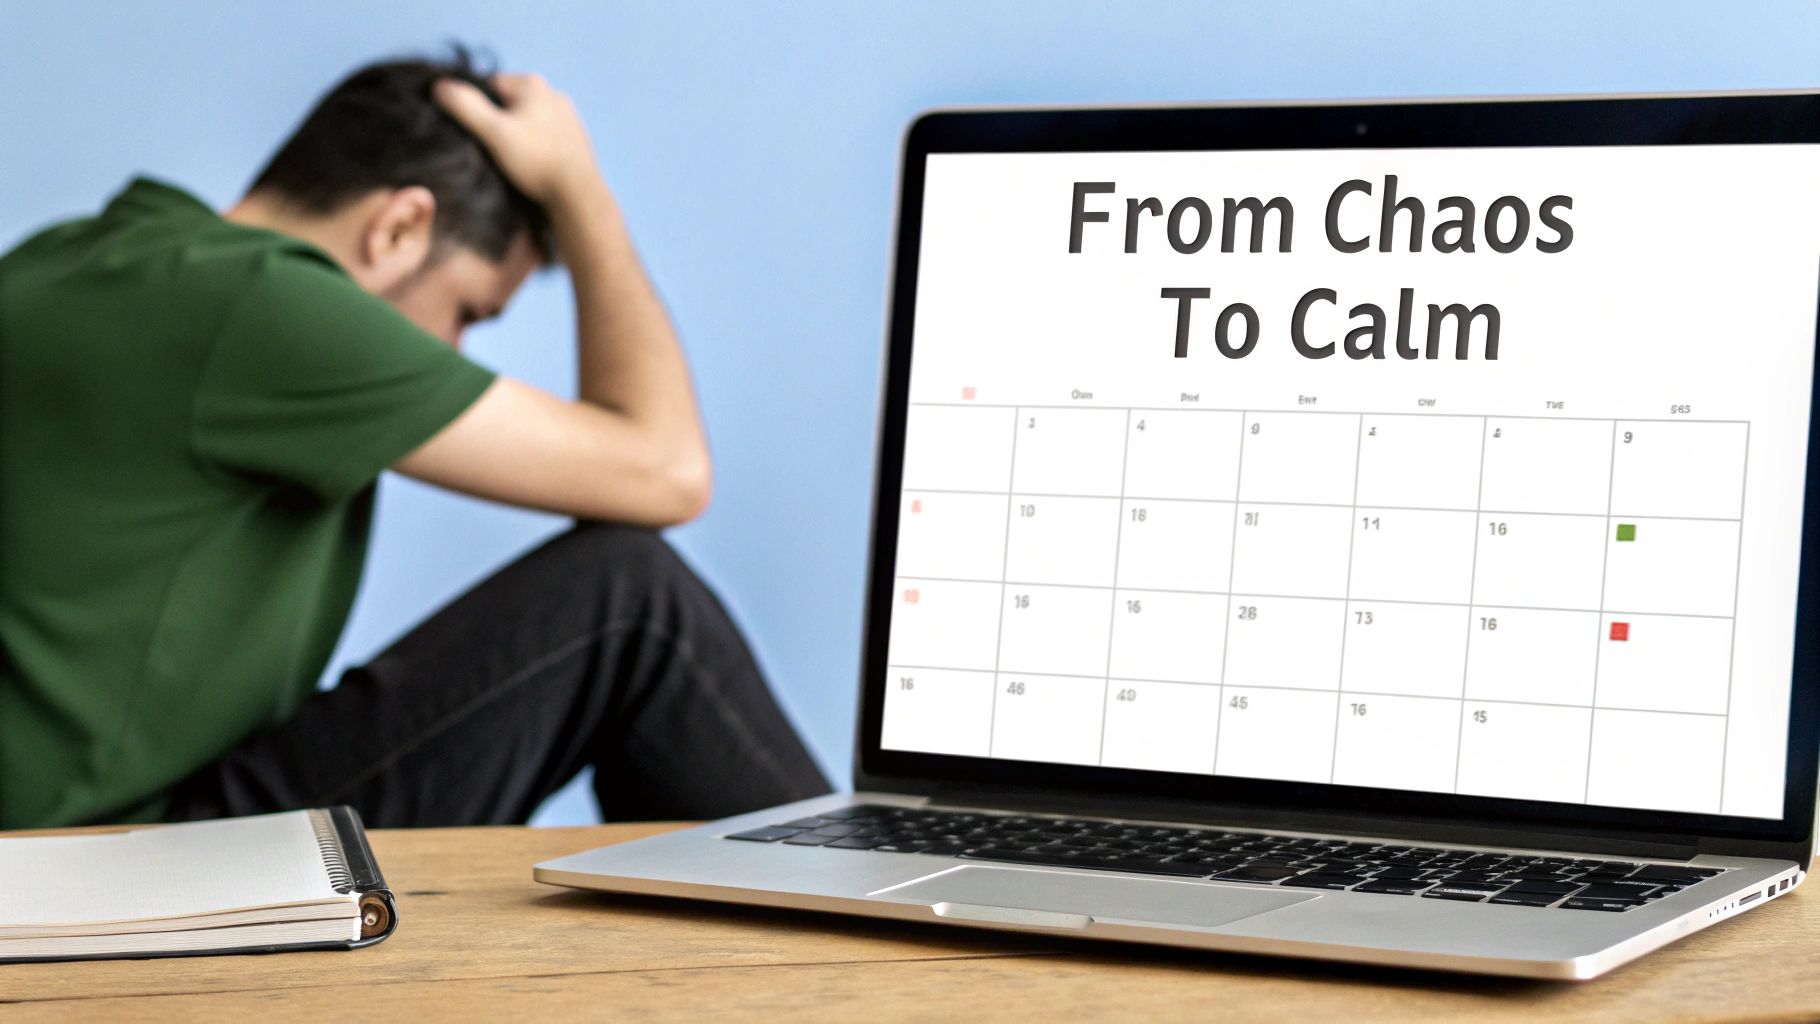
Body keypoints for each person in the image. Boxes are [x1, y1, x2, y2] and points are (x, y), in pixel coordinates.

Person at [0, 50, 831, 829]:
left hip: (50, 842)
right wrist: (580, 190)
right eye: (469, 313)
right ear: (399, 228)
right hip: (118, 857)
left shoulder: (64, 257)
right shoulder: (261, 301)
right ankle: (867, 914)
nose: (456, 355)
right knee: (633, 601)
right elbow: (667, 471)